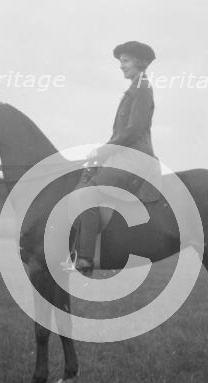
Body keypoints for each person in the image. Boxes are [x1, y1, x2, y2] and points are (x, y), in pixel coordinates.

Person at [67, 41, 159, 275]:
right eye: (120, 62)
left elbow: (133, 130)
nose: (121, 66)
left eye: (125, 61)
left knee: (87, 193)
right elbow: (122, 133)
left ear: (139, 63)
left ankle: (85, 258)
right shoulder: (135, 89)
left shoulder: (142, 89)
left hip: (135, 159)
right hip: (125, 157)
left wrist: (103, 151)